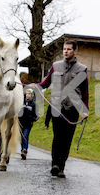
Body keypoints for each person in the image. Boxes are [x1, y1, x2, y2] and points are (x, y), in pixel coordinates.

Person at [37, 40, 89, 178]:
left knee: (67, 140)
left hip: (72, 109)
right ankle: (55, 164)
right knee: (57, 137)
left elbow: (85, 93)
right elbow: (46, 83)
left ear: (75, 51)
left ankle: (61, 167)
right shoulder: (55, 66)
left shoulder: (82, 69)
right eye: (64, 49)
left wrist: (84, 111)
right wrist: (35, 86)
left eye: (69, 49)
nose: (66, 51)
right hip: (56, 107)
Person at [19, 88, 38, 160]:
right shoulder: (22, 102)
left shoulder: (33, 104)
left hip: (28, 124)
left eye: (29, 94)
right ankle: (22, 150)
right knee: (21, 138)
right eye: (26, 94)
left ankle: (25, 150)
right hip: (21, 123)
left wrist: (33, 119)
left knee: (25, 136)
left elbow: (36, 114)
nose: (27, 95)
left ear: (32, 95)